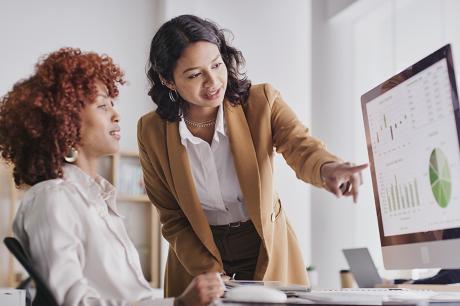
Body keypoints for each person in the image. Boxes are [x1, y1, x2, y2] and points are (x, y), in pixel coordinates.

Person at [138, 14, 368, 297]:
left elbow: (300, 145)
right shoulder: (151, 131)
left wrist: (327, 167)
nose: (213, 81)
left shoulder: (261, 101)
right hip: (197, 254)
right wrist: (206, 269)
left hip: (263, 247)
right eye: (195, 74)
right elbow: (172, 217)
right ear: (168, 80)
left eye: (216, 65)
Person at [0, 48, 223, 306]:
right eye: (102, 105)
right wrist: (179, 304)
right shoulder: (53, 198)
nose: (116, 115)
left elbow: (130, 297)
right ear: (65, 124)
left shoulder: (95, 198)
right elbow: (71, 302)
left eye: (112, 104)